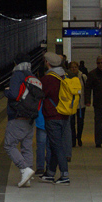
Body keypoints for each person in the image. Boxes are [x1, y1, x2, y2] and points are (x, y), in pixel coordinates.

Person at [3, 53, 39, 187]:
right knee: (26, 147)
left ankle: (24, 169)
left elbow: (13, 94)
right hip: (30, 118)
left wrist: (6, 91)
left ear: (16, 63)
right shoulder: (33, 76)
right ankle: (27, 178)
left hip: (17, 116)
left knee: (9, 145)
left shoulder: (17, 75)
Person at [40, 52, 71, 184]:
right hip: (64, 115)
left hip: (52, 116)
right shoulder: (65, 75)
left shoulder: (48, 79)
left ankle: (65, 175)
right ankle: (50, 173)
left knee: (57, 146)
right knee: (54, 144)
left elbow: (40, 94)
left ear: (47, 63)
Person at [84, 55, 102, 148]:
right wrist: (87, 100)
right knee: (98, 122)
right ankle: (98, 141)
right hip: (98, 101)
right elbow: (88, 88)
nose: (100, 65)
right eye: (98, 63)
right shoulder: (92, 74)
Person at [73, 60, 87, 147]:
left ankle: (79, 137)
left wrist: (87, 100)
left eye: (75, 67)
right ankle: (73, 138)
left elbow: (86, 89)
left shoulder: (83, 77)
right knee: (72, 122)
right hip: (71, 104)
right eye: (72, 67)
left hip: (81, 104)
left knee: (80, 122)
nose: (74, 69)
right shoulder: (68, 77)